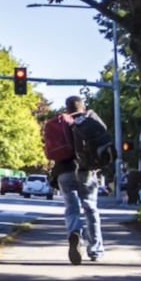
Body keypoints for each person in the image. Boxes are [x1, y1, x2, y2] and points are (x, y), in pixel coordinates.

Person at [52, 95, 105, 264]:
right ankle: (95, 249)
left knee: (71, 208)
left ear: (67, 108)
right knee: (90, 208)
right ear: (83, 107)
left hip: (63, 172)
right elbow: (104, 140)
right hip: (86, 170)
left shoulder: (61, 122)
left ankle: (74, 234)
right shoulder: (89, 120)